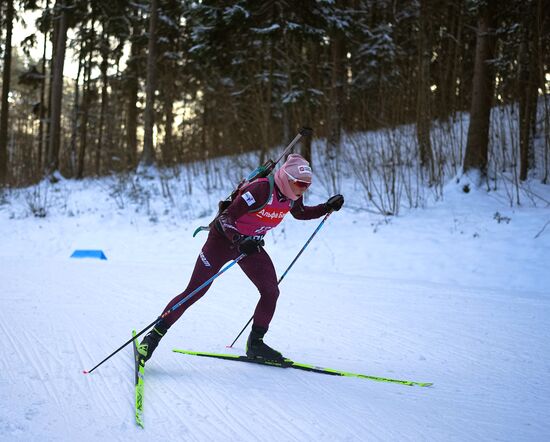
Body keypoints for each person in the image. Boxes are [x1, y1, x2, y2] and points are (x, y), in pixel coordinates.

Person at [138, 153, 344, 363]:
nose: (303, 189)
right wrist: (239, 239)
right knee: (195, 291)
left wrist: (327, 207)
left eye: (307, 185)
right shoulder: (261, 189)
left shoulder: (293, 196)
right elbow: (226, 217)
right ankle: (152, 338)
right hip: (221, 241)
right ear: (286, 178)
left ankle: (255, 344)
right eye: (300, 184)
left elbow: (300, 213)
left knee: (271, 291)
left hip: (248, 246)